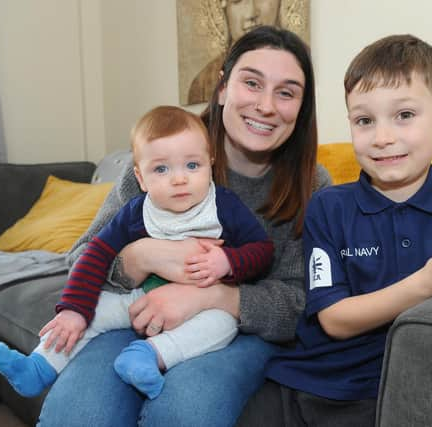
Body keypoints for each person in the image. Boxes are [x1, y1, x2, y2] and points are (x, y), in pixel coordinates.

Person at [236, 34, 432, 427]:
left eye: (404, 115)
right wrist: (427, 283)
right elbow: (334, 319)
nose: (382, 138)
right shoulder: (329, 206)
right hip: (306, 380)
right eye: (365, 121)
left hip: (391, 389)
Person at [37, 26, 331, 427]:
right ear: (224, 87)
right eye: (251, 83)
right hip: (137, 313)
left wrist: (212, 299)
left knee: (185, 410)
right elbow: (79, 262)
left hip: (241, 334)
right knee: (79, 414)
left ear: (301, 107)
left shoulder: (314, 185)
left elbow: (306, 303)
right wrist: (142, 256)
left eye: (286, 92)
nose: (266, 105)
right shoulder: (161, 159)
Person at [0, 106, 275, 400]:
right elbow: (95, 254)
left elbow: (262, 250)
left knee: (223, 325)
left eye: (192, 166)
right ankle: (38, 367)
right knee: (88, 312)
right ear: (140, 177)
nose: (179, 179)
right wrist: (74, 308)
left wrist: (228, 261)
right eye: (161, 169)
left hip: (204, 305)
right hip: (141, 299)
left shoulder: (223, 206)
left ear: (210, 163)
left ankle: (148, 356)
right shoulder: (137, 212)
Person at [187, 0, 282, 104]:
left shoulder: (297, 69)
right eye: (237, 1)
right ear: (224, 8)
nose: (251, 13)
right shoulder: (203, 82)